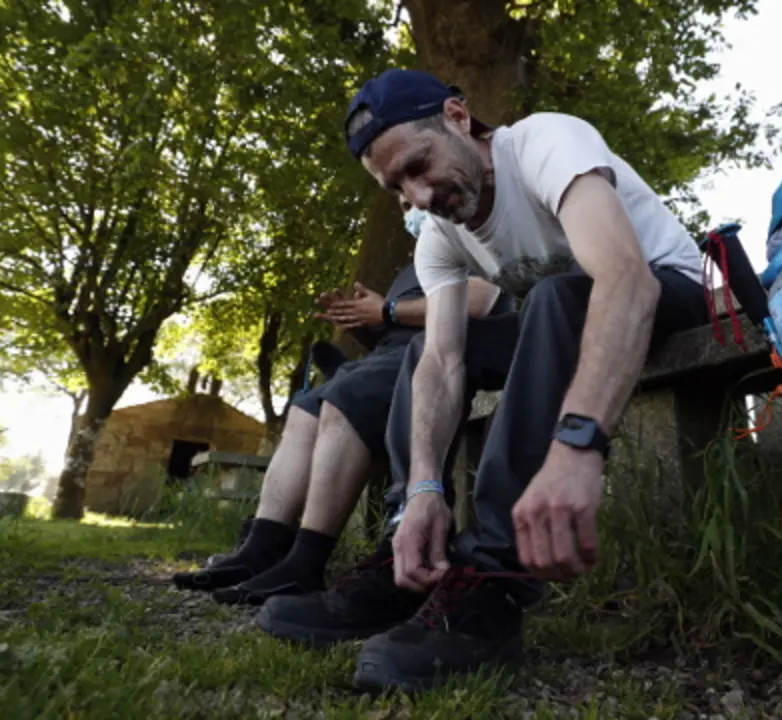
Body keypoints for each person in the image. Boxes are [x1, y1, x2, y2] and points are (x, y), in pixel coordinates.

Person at [255, 69, 711, 692]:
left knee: (552, 296)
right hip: (563, 322)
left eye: (420, 165)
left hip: (667, 294)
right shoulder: (438, 239)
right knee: (426, 349)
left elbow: (627, 282)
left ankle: (492, 582)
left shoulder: (548, 142)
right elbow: (443, 362)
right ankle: (409, 557)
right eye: (398, 186)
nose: (417, 196)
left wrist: (577, 446)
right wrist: (420, 491)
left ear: (458, 118)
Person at [172, 201, 510, 606]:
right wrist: (366, 321)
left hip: (424, 360)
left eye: (411, 200)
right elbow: (396, 323)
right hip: (383, 357)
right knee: (305, 407)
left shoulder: (467, 237)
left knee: (342, 401)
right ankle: (260, 550)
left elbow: (481, 301)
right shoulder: (417, 258)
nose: (405, 205)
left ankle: (305, 563)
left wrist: (385, 309)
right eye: (398, 201)